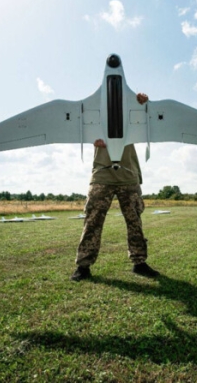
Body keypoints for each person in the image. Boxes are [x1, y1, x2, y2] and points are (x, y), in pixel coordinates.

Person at [71, 92, 160, 281]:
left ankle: (139, 263)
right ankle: (83, 266)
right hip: (102, 174)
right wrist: (92, 138)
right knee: (92, 220)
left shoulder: (132, 109)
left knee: (135, 221)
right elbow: (80, 127)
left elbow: (151, 120)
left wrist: (144, 104)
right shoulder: (93, 111)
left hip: (128, 174)